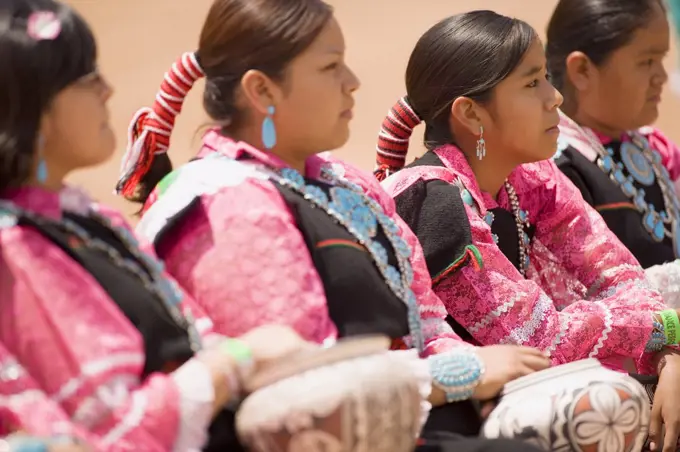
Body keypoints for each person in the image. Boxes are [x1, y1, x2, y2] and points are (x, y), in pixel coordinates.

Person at [107, 0, 621, 449]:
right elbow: (306, 385)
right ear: (263, 90)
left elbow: (429, 326)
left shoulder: (349, 184)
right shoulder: (224, 204)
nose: (353, 82)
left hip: (415, 417)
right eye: (331, 67)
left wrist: (474, 379)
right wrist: (462, 375)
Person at [0, 1, 418, 451]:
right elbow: (117, 431)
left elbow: (202, 339)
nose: (106, 89)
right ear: (29, 104)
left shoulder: (85, 217)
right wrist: (239, 358)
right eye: (85, 77)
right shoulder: (16, 247)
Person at [374, 10, 680, 452]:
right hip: (442, 416)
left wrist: (669, 352)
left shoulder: (533, 178)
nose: (554, 97)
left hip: (521, 391)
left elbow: (618, 275)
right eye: (532, 82)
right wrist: (665, 327)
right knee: (605, 406)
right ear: (472, 114)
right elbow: (541, 339)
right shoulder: (431, 199)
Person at [545, 0, 680, 309]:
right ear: (582, 70)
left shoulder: (656, 149)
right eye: (646, 61)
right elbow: (583, 299)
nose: (661, 76)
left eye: (662, 59)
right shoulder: (552, 168)